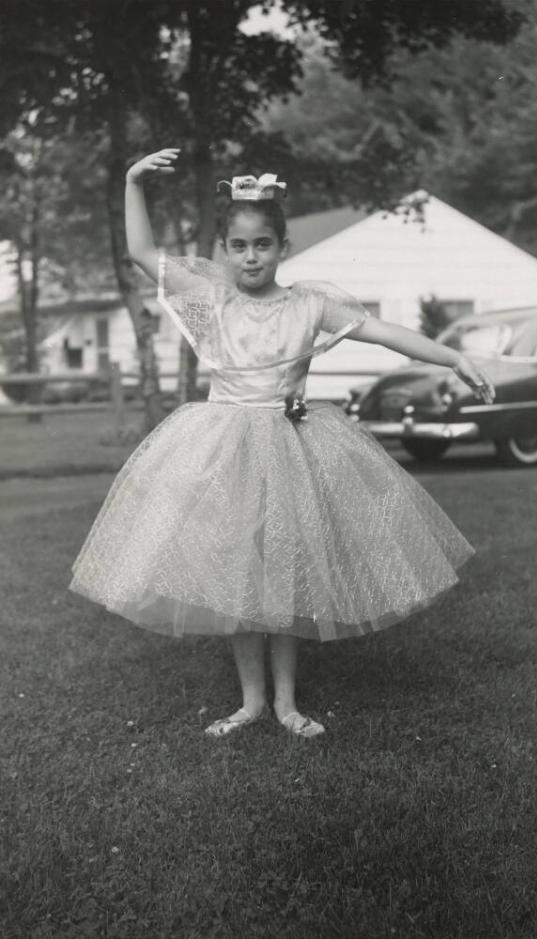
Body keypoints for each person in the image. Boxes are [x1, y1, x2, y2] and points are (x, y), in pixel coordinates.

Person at [69, 148, 496, 740]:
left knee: (288, 571)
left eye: (263, 244)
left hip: (292, 445)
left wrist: (452, 356)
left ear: (283, 248)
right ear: (223, 249)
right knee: (241, 575)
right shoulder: (211, 297)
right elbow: (142, 253)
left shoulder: (310, 302)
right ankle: (250, 702)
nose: (251, 257)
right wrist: (131, 182)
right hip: (227, 449)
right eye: (239, 246)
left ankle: (288, 703)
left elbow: (385, 333)